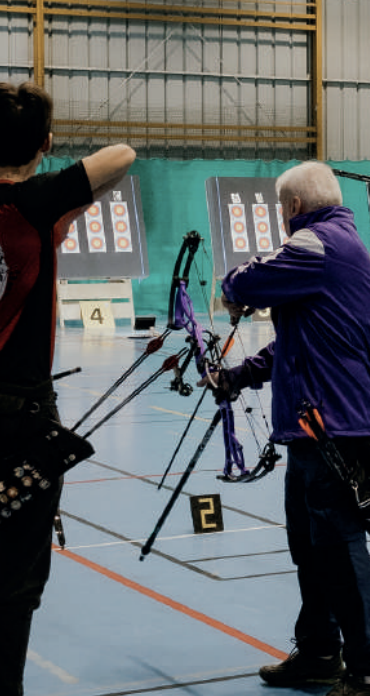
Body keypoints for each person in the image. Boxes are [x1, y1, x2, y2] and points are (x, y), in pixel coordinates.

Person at [217, 162, 370, 696]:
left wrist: (232, 290)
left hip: (335, 430)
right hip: (316, 430)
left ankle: (364, 675)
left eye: (280, 209)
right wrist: (241, 374)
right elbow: (304, 342)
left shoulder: (319, 242)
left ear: (293, 207)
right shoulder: (338, 247)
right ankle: (319, 653)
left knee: (340, 549)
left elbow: (244, 280)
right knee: (311, 550)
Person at [0, 81, 134, 696]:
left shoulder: (36, 213)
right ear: (46, 144)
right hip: (19, 422)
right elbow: (122, 156)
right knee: (15, 581)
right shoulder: (34, 203)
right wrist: (51, 185)